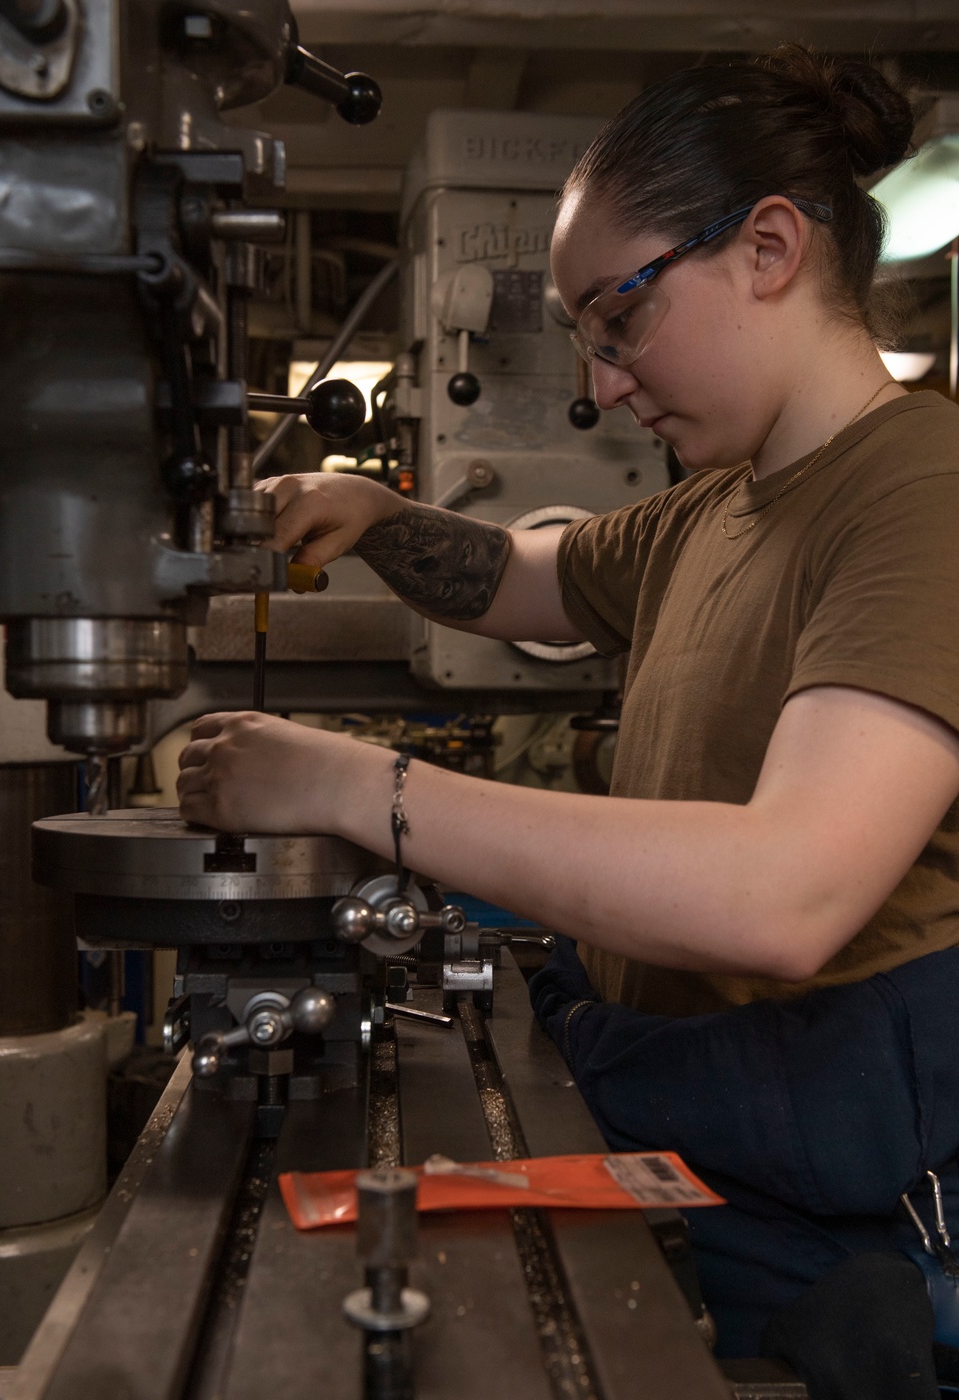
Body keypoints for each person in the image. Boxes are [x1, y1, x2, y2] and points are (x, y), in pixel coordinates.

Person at [177, 45, 959, 1397]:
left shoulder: (918, 494)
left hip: (850, 1192)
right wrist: (375, 517)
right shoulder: (714, 505)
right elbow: (521, 576)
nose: (601, 383)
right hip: (714, 1131)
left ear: (770, 245)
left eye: (621, 319)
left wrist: (358, 787)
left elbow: (790, 892)